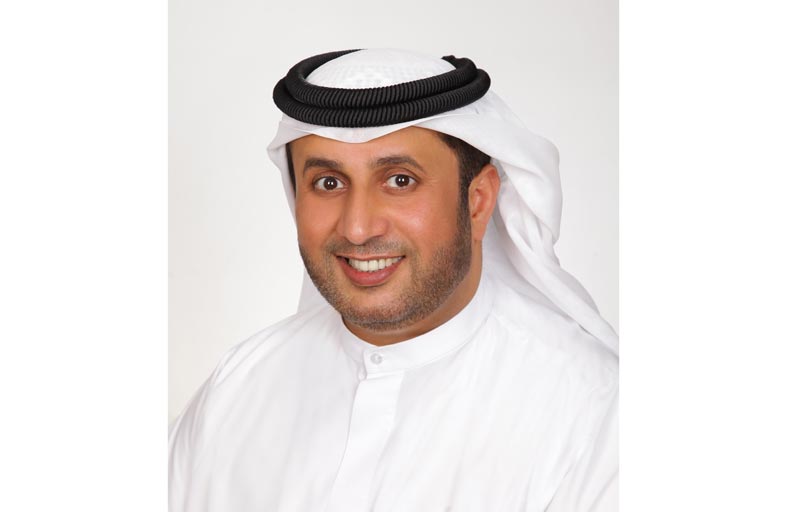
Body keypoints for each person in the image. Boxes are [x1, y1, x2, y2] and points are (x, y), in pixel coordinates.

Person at [169, 48, 619, 511]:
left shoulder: (593, 411)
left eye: (400, 180)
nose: (357, 228)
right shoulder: (237, 388)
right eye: (328, 183)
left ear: (478, 200)